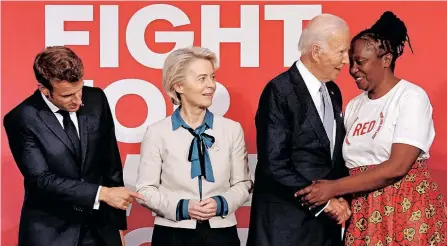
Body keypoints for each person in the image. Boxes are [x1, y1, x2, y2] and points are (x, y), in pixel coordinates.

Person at [296, 11, 447, 246]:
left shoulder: (410, 97)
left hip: (406, 212)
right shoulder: (355, 106)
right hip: (364, 215)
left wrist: (333, 188)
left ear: (386, 59)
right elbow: (345, 166)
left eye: (360, 61)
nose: (352, 69)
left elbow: (397, 167)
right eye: (351, 61)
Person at [3, 46, 145, 246]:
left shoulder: (96, 99)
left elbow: (110, 163)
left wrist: (117, 226)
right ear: (45, 90)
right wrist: (101, 193)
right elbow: (41, 180)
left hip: (101, 229)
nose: (78, 100)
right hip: (52, 233)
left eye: (80, 89)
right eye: (68, 95)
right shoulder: (21, 118)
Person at [246, 14, 352, 246]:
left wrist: (341, 196)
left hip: (325, 228)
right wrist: (324, 202)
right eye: (341, 51)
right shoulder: (279, 90)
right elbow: (274, 163)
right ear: (316, 51)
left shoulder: (333, 91)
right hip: (286, 227)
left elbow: (332, 157)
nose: (346, 60)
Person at [135, 46, 252, 246]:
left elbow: (243, 184)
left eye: (212, 77)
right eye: (202, 78)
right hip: (172, 234)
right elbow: (145, 190)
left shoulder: (231, 130)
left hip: (221, 234)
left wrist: (221, 204)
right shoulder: (157, 132)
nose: (211, 85)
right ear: (179, 86)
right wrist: (182, 207)